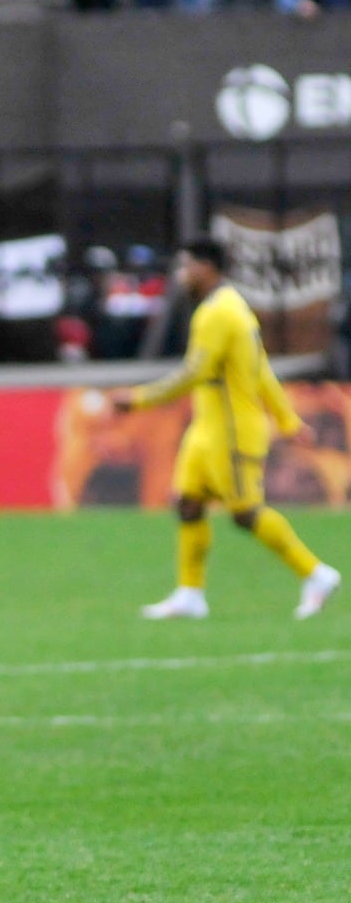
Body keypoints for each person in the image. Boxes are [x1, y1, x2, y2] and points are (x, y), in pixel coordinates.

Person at [111, 237, 341, 621]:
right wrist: (287, 419)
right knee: (187, 502)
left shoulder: (218, 314)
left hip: (232, 431)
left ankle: (316, 573)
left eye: (187, 267)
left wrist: (138, 399)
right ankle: (190, 594)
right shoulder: (232, 308)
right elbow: (261, 369)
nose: (182, 275)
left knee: (245, 512)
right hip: (208, 428)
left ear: (208, 268)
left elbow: (195, 372)